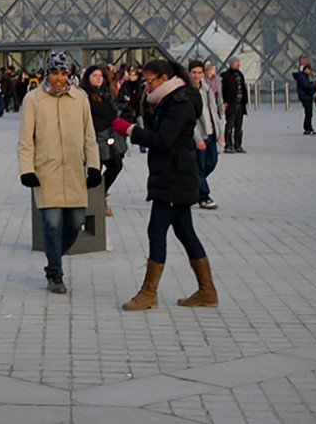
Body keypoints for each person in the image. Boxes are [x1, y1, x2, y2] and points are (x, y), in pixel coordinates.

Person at [112, 59, 218, 311]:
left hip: (174, 176)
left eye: (149, 82)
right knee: (184, 231)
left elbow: (163, 140)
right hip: (174, 174)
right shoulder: (172, 99)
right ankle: (207, 291)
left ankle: (149, 292)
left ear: (163, 78)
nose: (146, 87)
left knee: (156, 230)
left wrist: (129, 131)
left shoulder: (178, 102)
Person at [18, 52, 101, 294]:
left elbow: (89, 136)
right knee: (52, 225)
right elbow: (25, 140)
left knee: (76, 222)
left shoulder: (80, 97)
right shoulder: (33, 99)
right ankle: (55, 272)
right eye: (54, 72)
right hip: (47, 171)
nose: (59, 78)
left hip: (74, 171)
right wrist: (27, 170)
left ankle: (54, 256)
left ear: (69, 73)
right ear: (47, 73)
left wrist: (94, 166)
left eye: (63, 73)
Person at [80, 66, 124, 217]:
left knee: (116, 164)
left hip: (109, 136)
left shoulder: (106, 93)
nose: (98, 78)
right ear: (88, 78)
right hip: (94, 137)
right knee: (95, 168)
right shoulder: (84, 95)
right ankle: (93, 202)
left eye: (100, 76)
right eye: (94, 75)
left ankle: (100, 194)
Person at [189, 60, 223, 210]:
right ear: (189, 73)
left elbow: (213, 111)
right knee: (200, 167)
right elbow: (190, 118)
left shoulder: (207, 89)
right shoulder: (188, 92)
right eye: (194, 73)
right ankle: (204, 196)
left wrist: (220, 132)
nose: (197, 76)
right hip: (199, 135)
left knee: (212, 163)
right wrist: (197, 138)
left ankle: (193, 184)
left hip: (211, 132)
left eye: (199, 73)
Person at [220, 57, 247, 153]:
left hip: (240, 104)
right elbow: (223, 90)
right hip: (231, 104)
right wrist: (224, 102)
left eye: (238, 62)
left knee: (239, 126)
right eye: (236, 62)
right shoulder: (226, 76)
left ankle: (238, 145)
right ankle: (228, 145)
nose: (238, 64)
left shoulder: (240, 74)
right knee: (230, 125)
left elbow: (243, 89)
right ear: (231, 64)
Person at [293, 65, 316, 135]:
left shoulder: (302, 76)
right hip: (305, 96)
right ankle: (308, 127)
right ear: (306, 69)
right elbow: (306, 86)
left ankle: (308, 127)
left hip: (305, 96)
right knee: (309, 113)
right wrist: (314, 86)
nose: (311, 72)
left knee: (308, 113)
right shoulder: (302, 76)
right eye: (310, 70)